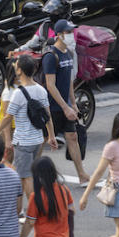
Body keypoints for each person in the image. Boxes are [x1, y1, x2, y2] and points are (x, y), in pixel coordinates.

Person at [0, 54, 57, 198]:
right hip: (37, 140)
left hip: (23, 142)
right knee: (33, 174)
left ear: (20, 71)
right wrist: (51, 136)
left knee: (25, 177)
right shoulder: (41, 90)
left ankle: (33, 210)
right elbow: (47, 117)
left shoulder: (18, 93)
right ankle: (32, 208)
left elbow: (8, 117)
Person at [42, 19, 86, 182]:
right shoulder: (50, 56)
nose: (71, 35)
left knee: (72, 137)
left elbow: (68, 82)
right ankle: (30, 172)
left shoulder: (68, 53)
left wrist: (72, 103)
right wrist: (65, 107)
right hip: (50, 107)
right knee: (42, 141)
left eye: (71, 32)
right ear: (59, 35)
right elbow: (50, 85)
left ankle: (81, 175)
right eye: (68, 33)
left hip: (64, 106)